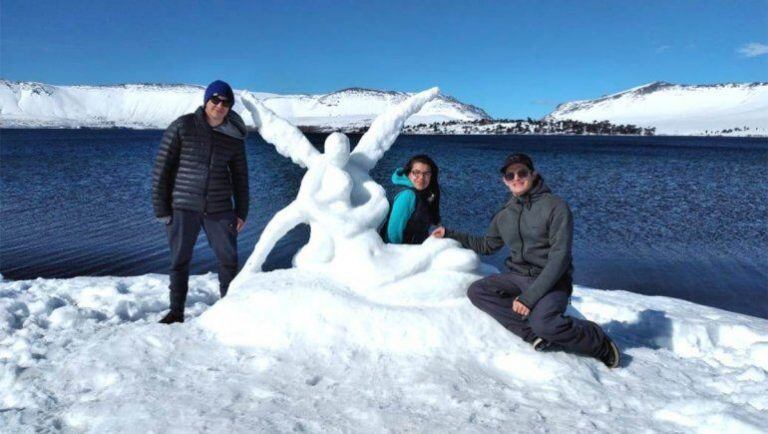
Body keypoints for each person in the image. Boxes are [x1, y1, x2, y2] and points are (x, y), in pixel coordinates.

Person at [432, 153, 620, 368]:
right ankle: (532, 334)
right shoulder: (505, 213)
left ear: (533, 174)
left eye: (522, 173)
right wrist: (450, 233)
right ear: (504, 180)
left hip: (552, 280)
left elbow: (560, 258)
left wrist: (529, 298)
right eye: (510, 175)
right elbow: (488, 245)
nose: (516, 178)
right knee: (478, 291)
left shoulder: (555, 206)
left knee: (546, 324)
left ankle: (597, 340)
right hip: (517, 276)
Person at [152, 80, 249, 324]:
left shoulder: (234, 137)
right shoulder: (183, 126)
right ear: (206, 101)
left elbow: (241, 177)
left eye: (225, 102)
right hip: (183, 205)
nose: (219, 106)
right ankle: (176, 311)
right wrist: (161, 208)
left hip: (220, 208)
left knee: (229, 260)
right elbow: (162, 169)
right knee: (179, 260)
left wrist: (242, 212)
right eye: (215, 100)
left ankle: (230, 309)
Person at [384, 155, 441, 244]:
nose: (421, 177)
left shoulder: (426, 194)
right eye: (416, 172)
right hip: (400, 254)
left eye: (426, 173)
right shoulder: (408, 196)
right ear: (408, 173)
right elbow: (393, 234)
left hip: (415, 251)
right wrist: (396, 256)